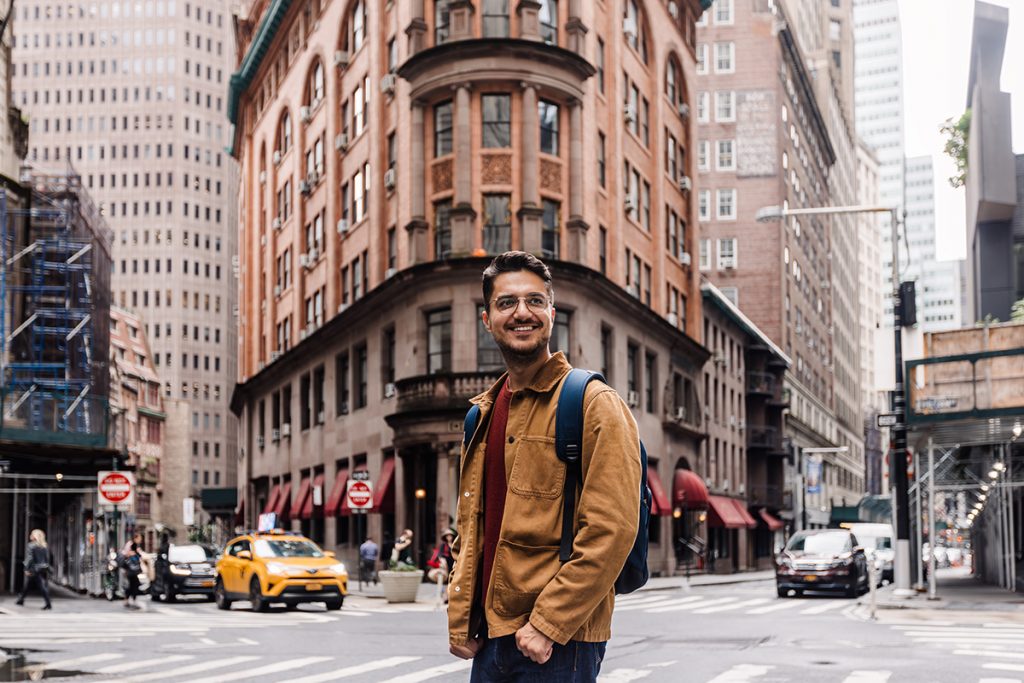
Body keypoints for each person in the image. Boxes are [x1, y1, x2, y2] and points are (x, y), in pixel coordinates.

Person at [448, 252, 640, 682]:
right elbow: (472, 529)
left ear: (552, 314)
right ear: (487, 319)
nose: (522, 313)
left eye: (535, 301)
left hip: (556, 644)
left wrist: (547, 624)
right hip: (491, 640)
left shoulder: (593, 403)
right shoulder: (482, 414)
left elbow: (612, 531)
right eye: (506, 303)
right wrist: (460, 617)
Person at [16, 529, 52, 610]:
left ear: (35, 536)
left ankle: (48, 603)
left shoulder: (31, 545)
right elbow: (46, 559)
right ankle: (21, 599)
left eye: (32, 534)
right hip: (42, 568)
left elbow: (30, 558)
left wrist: (26, 569)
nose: (30, 535)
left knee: (41, 586)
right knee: (28, 585)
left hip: (34, 569)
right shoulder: (44, 546)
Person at [122, 542, 143, 610]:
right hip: (134, 573)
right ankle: (132, 601)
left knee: (130, 586)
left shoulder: (128, 554)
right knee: (134, 587)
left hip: (129, 573)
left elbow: (124, 563)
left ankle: (127, 600)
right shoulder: (136, 554)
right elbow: (140, 561)